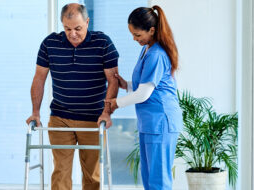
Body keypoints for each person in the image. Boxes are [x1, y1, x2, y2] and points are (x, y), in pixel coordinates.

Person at [25, 3, 119, 190]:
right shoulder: (49, 43)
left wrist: (106, 113)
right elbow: (39, 78)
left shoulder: (103, 43)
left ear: (87, 21)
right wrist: (35, 112)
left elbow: (113, 79)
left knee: (93, 174)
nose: (73, 34)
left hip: (93, 118)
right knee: (61, 171)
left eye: (78, 28)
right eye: (67, 29)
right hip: (60, 117)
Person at [105, 5, 182, 190]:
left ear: (152, 30)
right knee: (148, 178)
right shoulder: (147, 49)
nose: (134, 39)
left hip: (161, 122)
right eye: (132, 34)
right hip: (150, 122)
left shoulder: (157, 54)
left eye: (138, 35)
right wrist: (126, 85)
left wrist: (116, 103)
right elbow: (146, 84)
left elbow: (144, 94)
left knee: (158, 179)